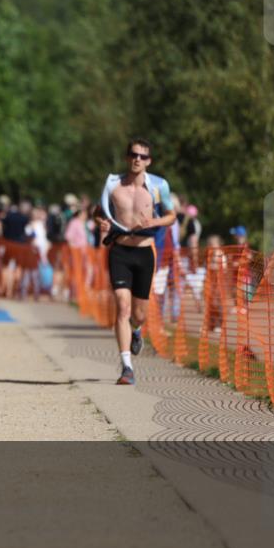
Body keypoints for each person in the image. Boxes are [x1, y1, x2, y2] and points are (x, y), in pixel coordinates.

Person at [95, 137, 177, 386]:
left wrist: (156, 221)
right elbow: (99, 211)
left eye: (142, 156)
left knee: (139, 314)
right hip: (120, 250)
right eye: (133, 154)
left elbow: (172, 215)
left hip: (144, 252)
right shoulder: (113, 184)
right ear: (127, 157)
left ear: (148, 161)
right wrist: (101, 222)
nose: (137, 159)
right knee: (122, 306)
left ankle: (137, 330)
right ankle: (126, 367)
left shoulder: (158, 186)